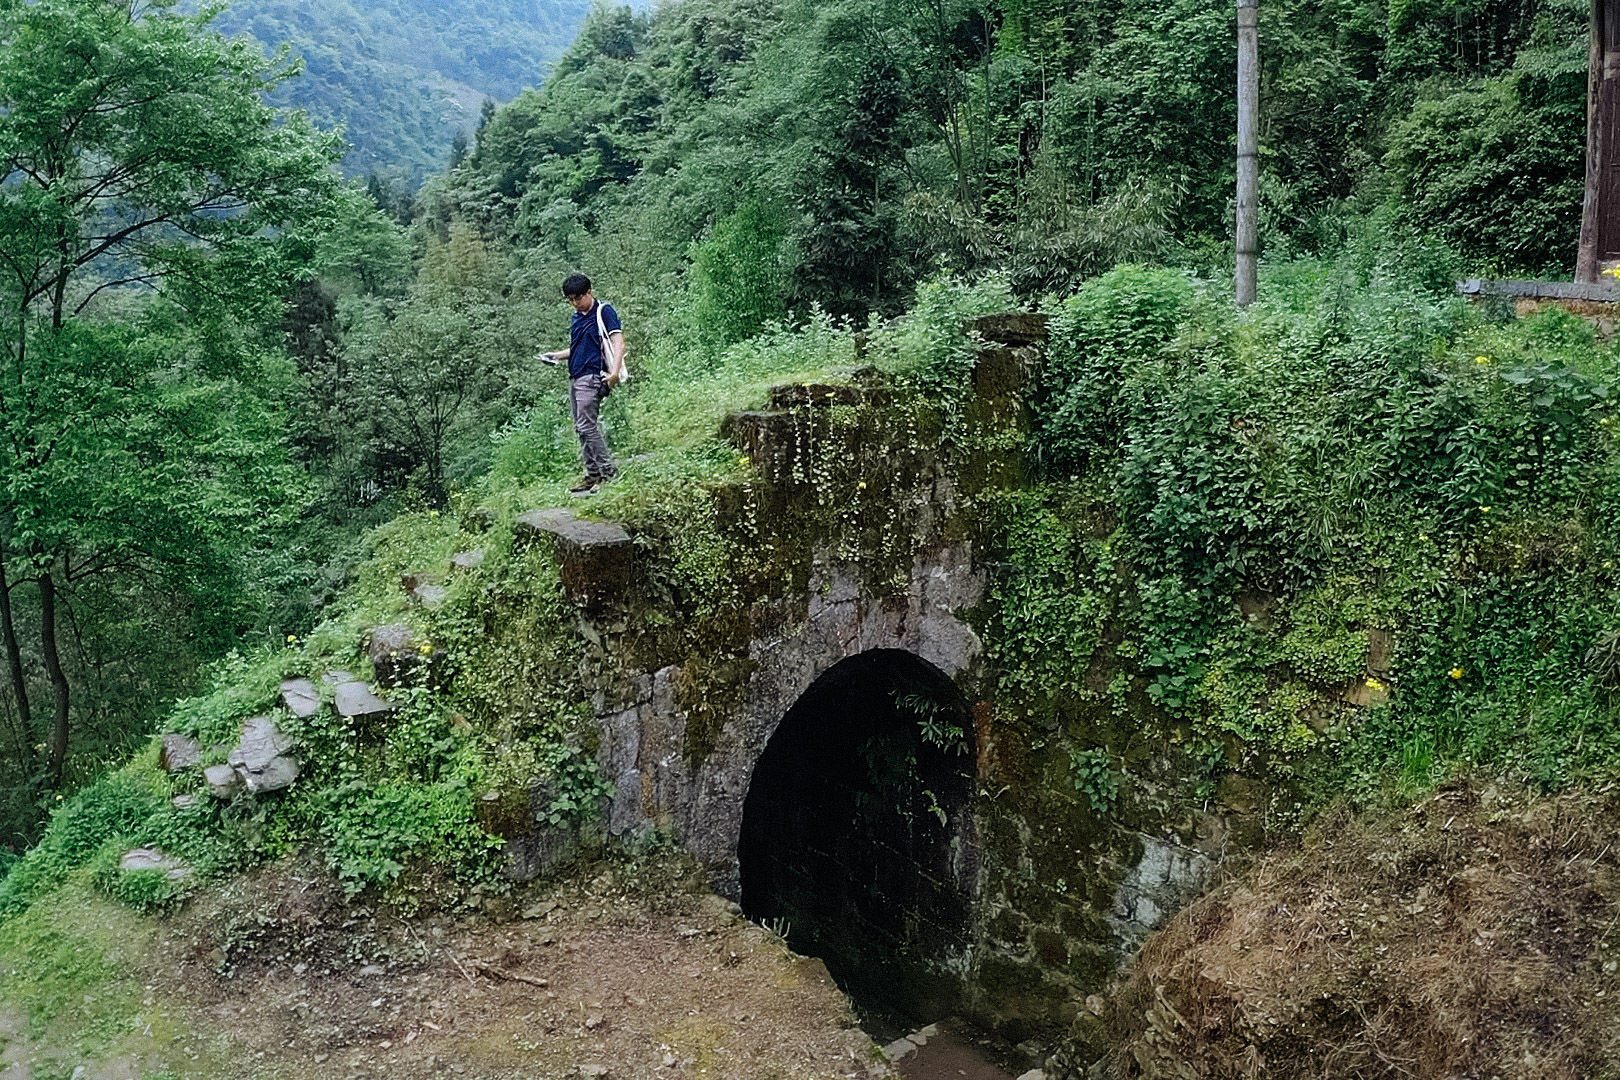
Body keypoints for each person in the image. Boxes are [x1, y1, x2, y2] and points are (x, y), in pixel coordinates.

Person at [542, 273, 622, 495]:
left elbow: (618, 342)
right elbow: (578, 348)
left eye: (578, 297)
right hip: (575, 376)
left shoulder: (603, 311)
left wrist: (614, 373)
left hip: (592, 376)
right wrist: (556, 356)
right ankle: (592, 475)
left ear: (589, 292)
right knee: (580, 428)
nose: (575, 303)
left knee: (588, 426)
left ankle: (608, 473)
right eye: (570, 299)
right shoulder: (577, 318)